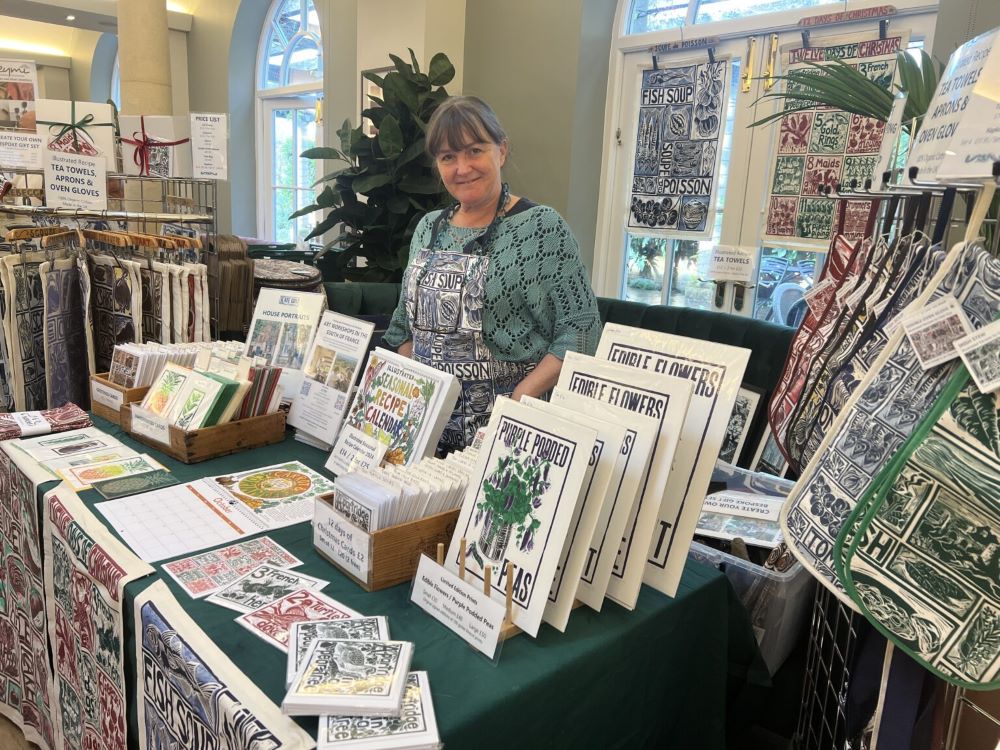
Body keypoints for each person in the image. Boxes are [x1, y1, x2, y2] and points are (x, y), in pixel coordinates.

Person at [384, 95, 601, 452]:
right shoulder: (427, 229)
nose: (462, 168)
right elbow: (402, 327)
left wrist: (520, 399)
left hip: (508, 431)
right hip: (427, 433)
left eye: (474, 150)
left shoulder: (542, 229)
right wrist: (415, 396)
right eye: (448, 157)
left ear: (501, 151)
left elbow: (580, 331)